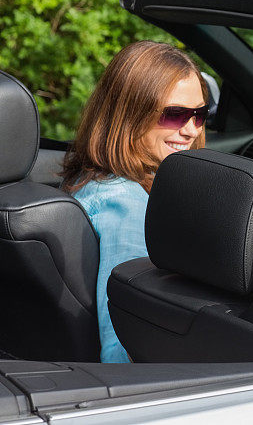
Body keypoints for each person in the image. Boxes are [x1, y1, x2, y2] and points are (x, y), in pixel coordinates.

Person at [62, 41, 208, 363]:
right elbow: (124, 339)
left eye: (199, 114)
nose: (191, 130)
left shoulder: (93, 179)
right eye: (174, 114)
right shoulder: (125, 205)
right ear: (129, 113)